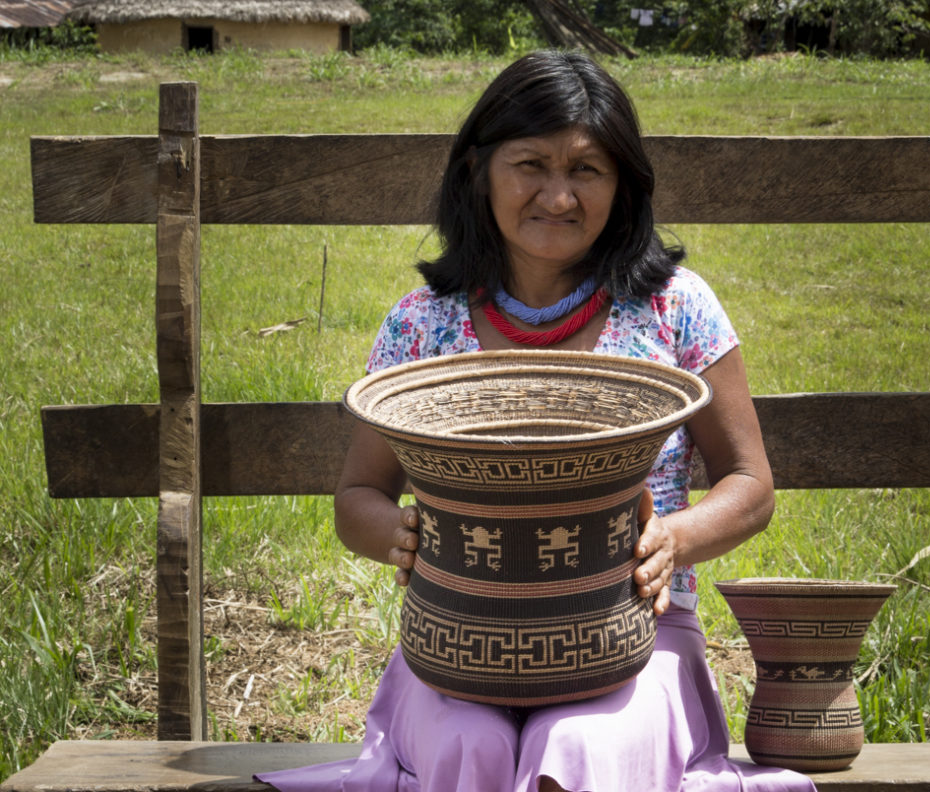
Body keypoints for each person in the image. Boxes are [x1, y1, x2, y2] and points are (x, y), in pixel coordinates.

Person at [257, 50, 816, 792]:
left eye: (587, 170)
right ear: (478, 173)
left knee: (580, 746)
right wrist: (399, 537)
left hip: (639, 637)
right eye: (531, 165)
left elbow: (752, 483)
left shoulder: (676, 308)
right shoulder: (422, 325)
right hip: (457, 643)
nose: (558, 196)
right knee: (468, 745)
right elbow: (358, 495)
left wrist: (671, 540)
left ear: (623, 186)